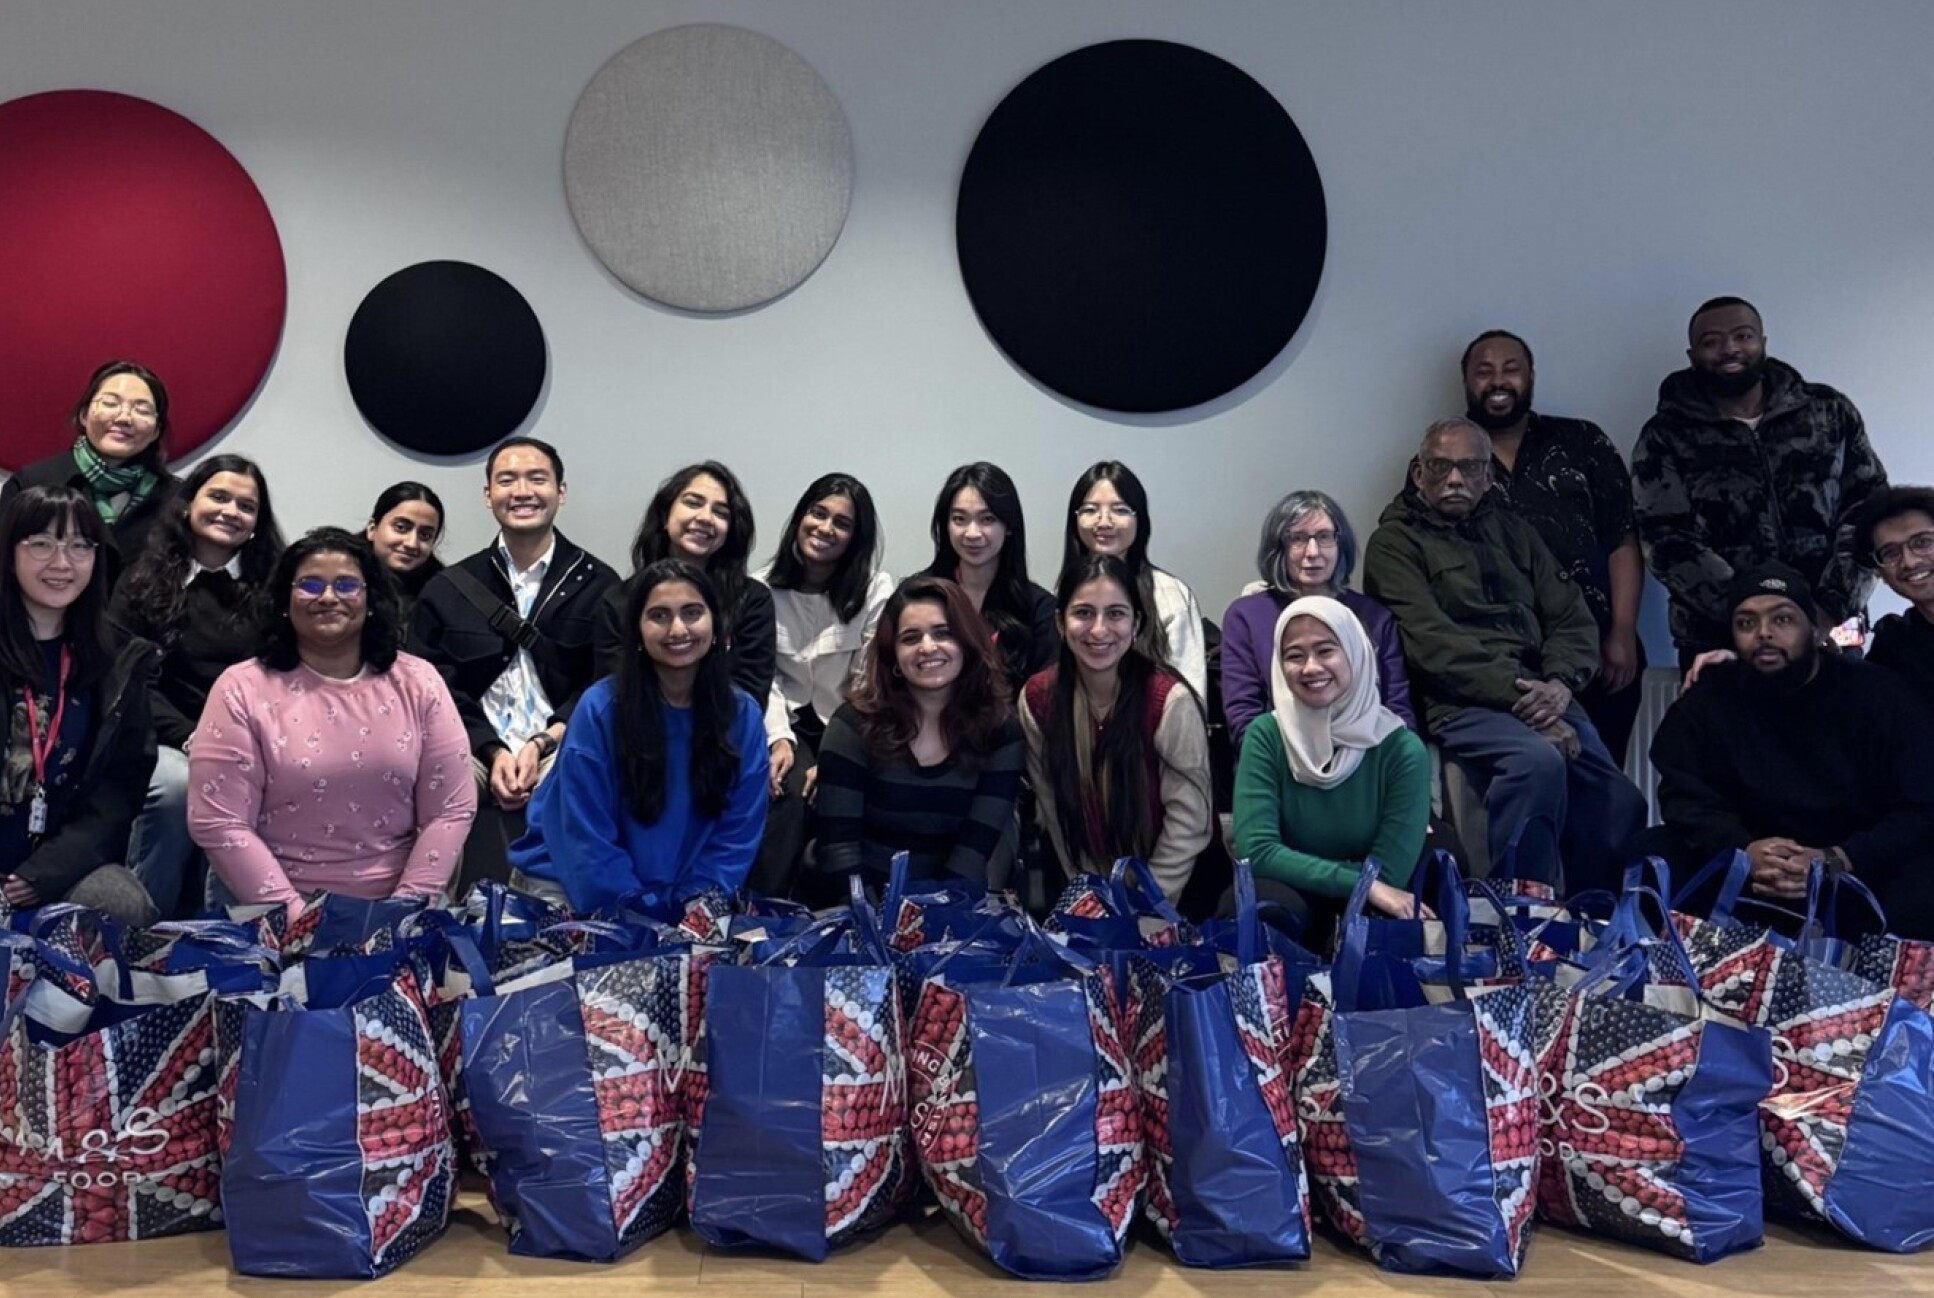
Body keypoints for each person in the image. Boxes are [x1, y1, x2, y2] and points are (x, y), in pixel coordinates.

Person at [1365, 417, 1645, 891]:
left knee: (1622, 801)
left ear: (1487, 477)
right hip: (1460, 702)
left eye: (1469, 467)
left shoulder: (1516, 532)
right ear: (1418, 474)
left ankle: (1586, 918)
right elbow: (1433, 646)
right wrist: (1527, 702)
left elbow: (1570, 616)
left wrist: (1560, 684)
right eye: (1440, 467)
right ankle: (1518, 914)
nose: (1454, 479)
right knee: (1537, 762)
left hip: (1544, 690)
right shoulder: (1393, 543)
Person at [189, 528, 476, 908]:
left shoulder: (418, 681)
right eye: (309, 585)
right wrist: (295, 916)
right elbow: (218, 821)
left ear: (370, 598)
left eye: (346, 585)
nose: (328, 597)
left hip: (402, 910)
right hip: (274, 909)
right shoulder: (241, 688)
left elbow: (451, 809)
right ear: (284, 600)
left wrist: (403, 910)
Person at [1645, 564, 1934, 939]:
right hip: (1750, 866)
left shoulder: (1875, 694)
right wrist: (1741, 849)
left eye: (1782, 619)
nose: (1764, 633)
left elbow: (1920, 805)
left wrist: (1841, 858)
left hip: (1854, 865)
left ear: (1814, 631)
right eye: (1746, 624)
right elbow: (1686, 797)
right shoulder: (1710, 699)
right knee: (1651, 854)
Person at [409, 437, 619, 891]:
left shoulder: (601, 584)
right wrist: (491, 748)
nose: (522, 490)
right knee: (435, 776)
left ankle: (542, 931)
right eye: (507, 480)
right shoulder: (448, 589)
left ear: (561, 491)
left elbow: (606, 682)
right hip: (469, 745)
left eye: (537, 478)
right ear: (488, 495)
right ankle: (420, 924)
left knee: (573, 778)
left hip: (562, 742)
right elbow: (434, 689)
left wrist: (543, 740)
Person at [1632, 296, 1888, 665]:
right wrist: (1755, 615)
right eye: (1712, 341)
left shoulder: (1829, 410)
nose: (1730, 349)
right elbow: (1665, 539)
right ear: (1692, 355)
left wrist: (1829, 606)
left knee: (1844, 722)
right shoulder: (1664, 436)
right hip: (1718, 632)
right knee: (1725, 725)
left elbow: (1869, 511)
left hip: (1833, 625)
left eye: (1743, 336)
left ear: (1763, 343)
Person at [511, 561, 767, 912]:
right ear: (637, 632)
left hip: (681, 899)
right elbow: (586, 843)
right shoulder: (599, 709)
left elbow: (735, 839)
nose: (678, 629)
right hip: (572, 886)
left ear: (717, 625)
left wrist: (694, 910)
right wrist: (644, 918)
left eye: (692, 613)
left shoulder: (743, 715)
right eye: (659, 615)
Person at [110, 454, 286, 917]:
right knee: (178, 787)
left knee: (253, 789)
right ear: (188, 504)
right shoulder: (141, 580)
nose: (231, 511)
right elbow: (127, 679)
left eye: (246, 506)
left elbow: (281, 681)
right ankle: (141, 928)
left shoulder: (272, 592)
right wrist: (191, 737)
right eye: (219, 497)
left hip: (245, 742)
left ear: (256, 523)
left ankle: (230, 942)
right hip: (159, 735)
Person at [1462, 330, 1646, 763]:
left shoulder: (1584, 442)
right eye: (1483, 371)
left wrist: (1622, 632)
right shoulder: (1446, 460)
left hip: (1599, 651)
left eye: (1511, 369)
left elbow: (1622, 538)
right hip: (1504, 663)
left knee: (1602, 788)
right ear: (1466, 381)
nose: (1498, 381)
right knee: (1531, 790)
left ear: (1531, 376)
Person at [0, 487, 161, 925]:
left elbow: (119, 790)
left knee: (121, 904)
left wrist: (44, 873)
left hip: (55, 863)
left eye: (79, 546)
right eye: (41, 544)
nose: (61, 563)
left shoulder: (118, 661)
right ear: (9, 551)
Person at [1232, 597, 1432, 940]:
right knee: (1262, 909)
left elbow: (1391, 874)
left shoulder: (1400, 748)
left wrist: (1367, 887)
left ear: (1355, 653)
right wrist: (1360, 882)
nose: (1311, 667)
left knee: (1389, 921)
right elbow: (1257, 853)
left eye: (1326, 651)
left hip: (1371, 895)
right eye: (1294, 655)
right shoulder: (1266, 735)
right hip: (1296, 892)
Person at [1018, 554, 1211, 902]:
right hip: (1085, 885)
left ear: (1136, 624)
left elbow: (1189, 822)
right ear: (1060, 623)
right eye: (1084, 613)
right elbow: (1054, 810)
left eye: (1116, 613)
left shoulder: (1169, 701)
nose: (1099, 629)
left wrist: (1148, 909)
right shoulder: (1038, 699)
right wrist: (1090, 897)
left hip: (1177, 890)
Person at [814, 576, 1025, 890]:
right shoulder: (852, 724)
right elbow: (839, 850)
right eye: (910, 638)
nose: (928, 647)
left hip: (953, 909)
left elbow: (972, 854)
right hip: (858, 907)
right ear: (894, 656)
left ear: (967, 642)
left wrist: (937, 925)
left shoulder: (1001, 731)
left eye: (943, 633)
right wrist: (873, 926)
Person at [750, 473, 893, 897]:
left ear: (855, 537)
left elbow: (870, 681)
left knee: (842, 793)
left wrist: (836, 754)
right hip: (783, 722)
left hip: (851, 725)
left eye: (841, 523)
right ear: (800, 517)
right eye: (818, 513)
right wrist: (779, 740)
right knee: (786, 792)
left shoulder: (875, 591)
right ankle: (763, 916)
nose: (825, 528)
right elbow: (764, 678)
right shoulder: (759, 589)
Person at [1220, 489, 1414, 743]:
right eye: (1298, 539)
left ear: (1340, 544)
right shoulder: (1246, 616)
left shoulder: (1374, 616)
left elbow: (1398, 712)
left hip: (1369, 759)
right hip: (1282, 762)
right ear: (1279, 547)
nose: (1312, 552)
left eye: (1324, 537)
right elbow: (1243, 720)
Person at [593, 461, 775, 705]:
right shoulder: (619, 600)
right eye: (693, 503)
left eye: (721, 512)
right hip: (636, 734)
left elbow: (750, 696)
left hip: (723, 736)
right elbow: (613, 691)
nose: (705, 518)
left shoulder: (752, 600)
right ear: (665, 516)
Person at [1, 361, 179, 591]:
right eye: (110, 403)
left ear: (156, 430)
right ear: (84, 415)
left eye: (142, 410)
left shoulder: (176, 499)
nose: (124, 417)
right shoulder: (32, 484)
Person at [1061, 461, 1207, 700]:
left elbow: (1189, 698)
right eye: (1090, 510)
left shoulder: (1169, 594)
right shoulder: (1068, 592)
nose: (1104, 521)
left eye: (1120, 510)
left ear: (1140, 520)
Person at [918, 462, 1057, 691]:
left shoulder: (1039, 608)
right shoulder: (919, 594)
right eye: (959, 519)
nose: (972, 533)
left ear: (1009, 525)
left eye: (987, 519)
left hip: (1010, 726)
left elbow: (1043, 696)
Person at [1854, 486, 1934, 709]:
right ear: (1881, 574)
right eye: (1890, 553)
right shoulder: (1894, 646)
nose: (1909, 562)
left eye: (1922, 542)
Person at [365, 481, 446, 615]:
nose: (412, 543)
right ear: (372, 528)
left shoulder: (441, 591)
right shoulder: (341, 574)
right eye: (401, 528)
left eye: (425, 535)